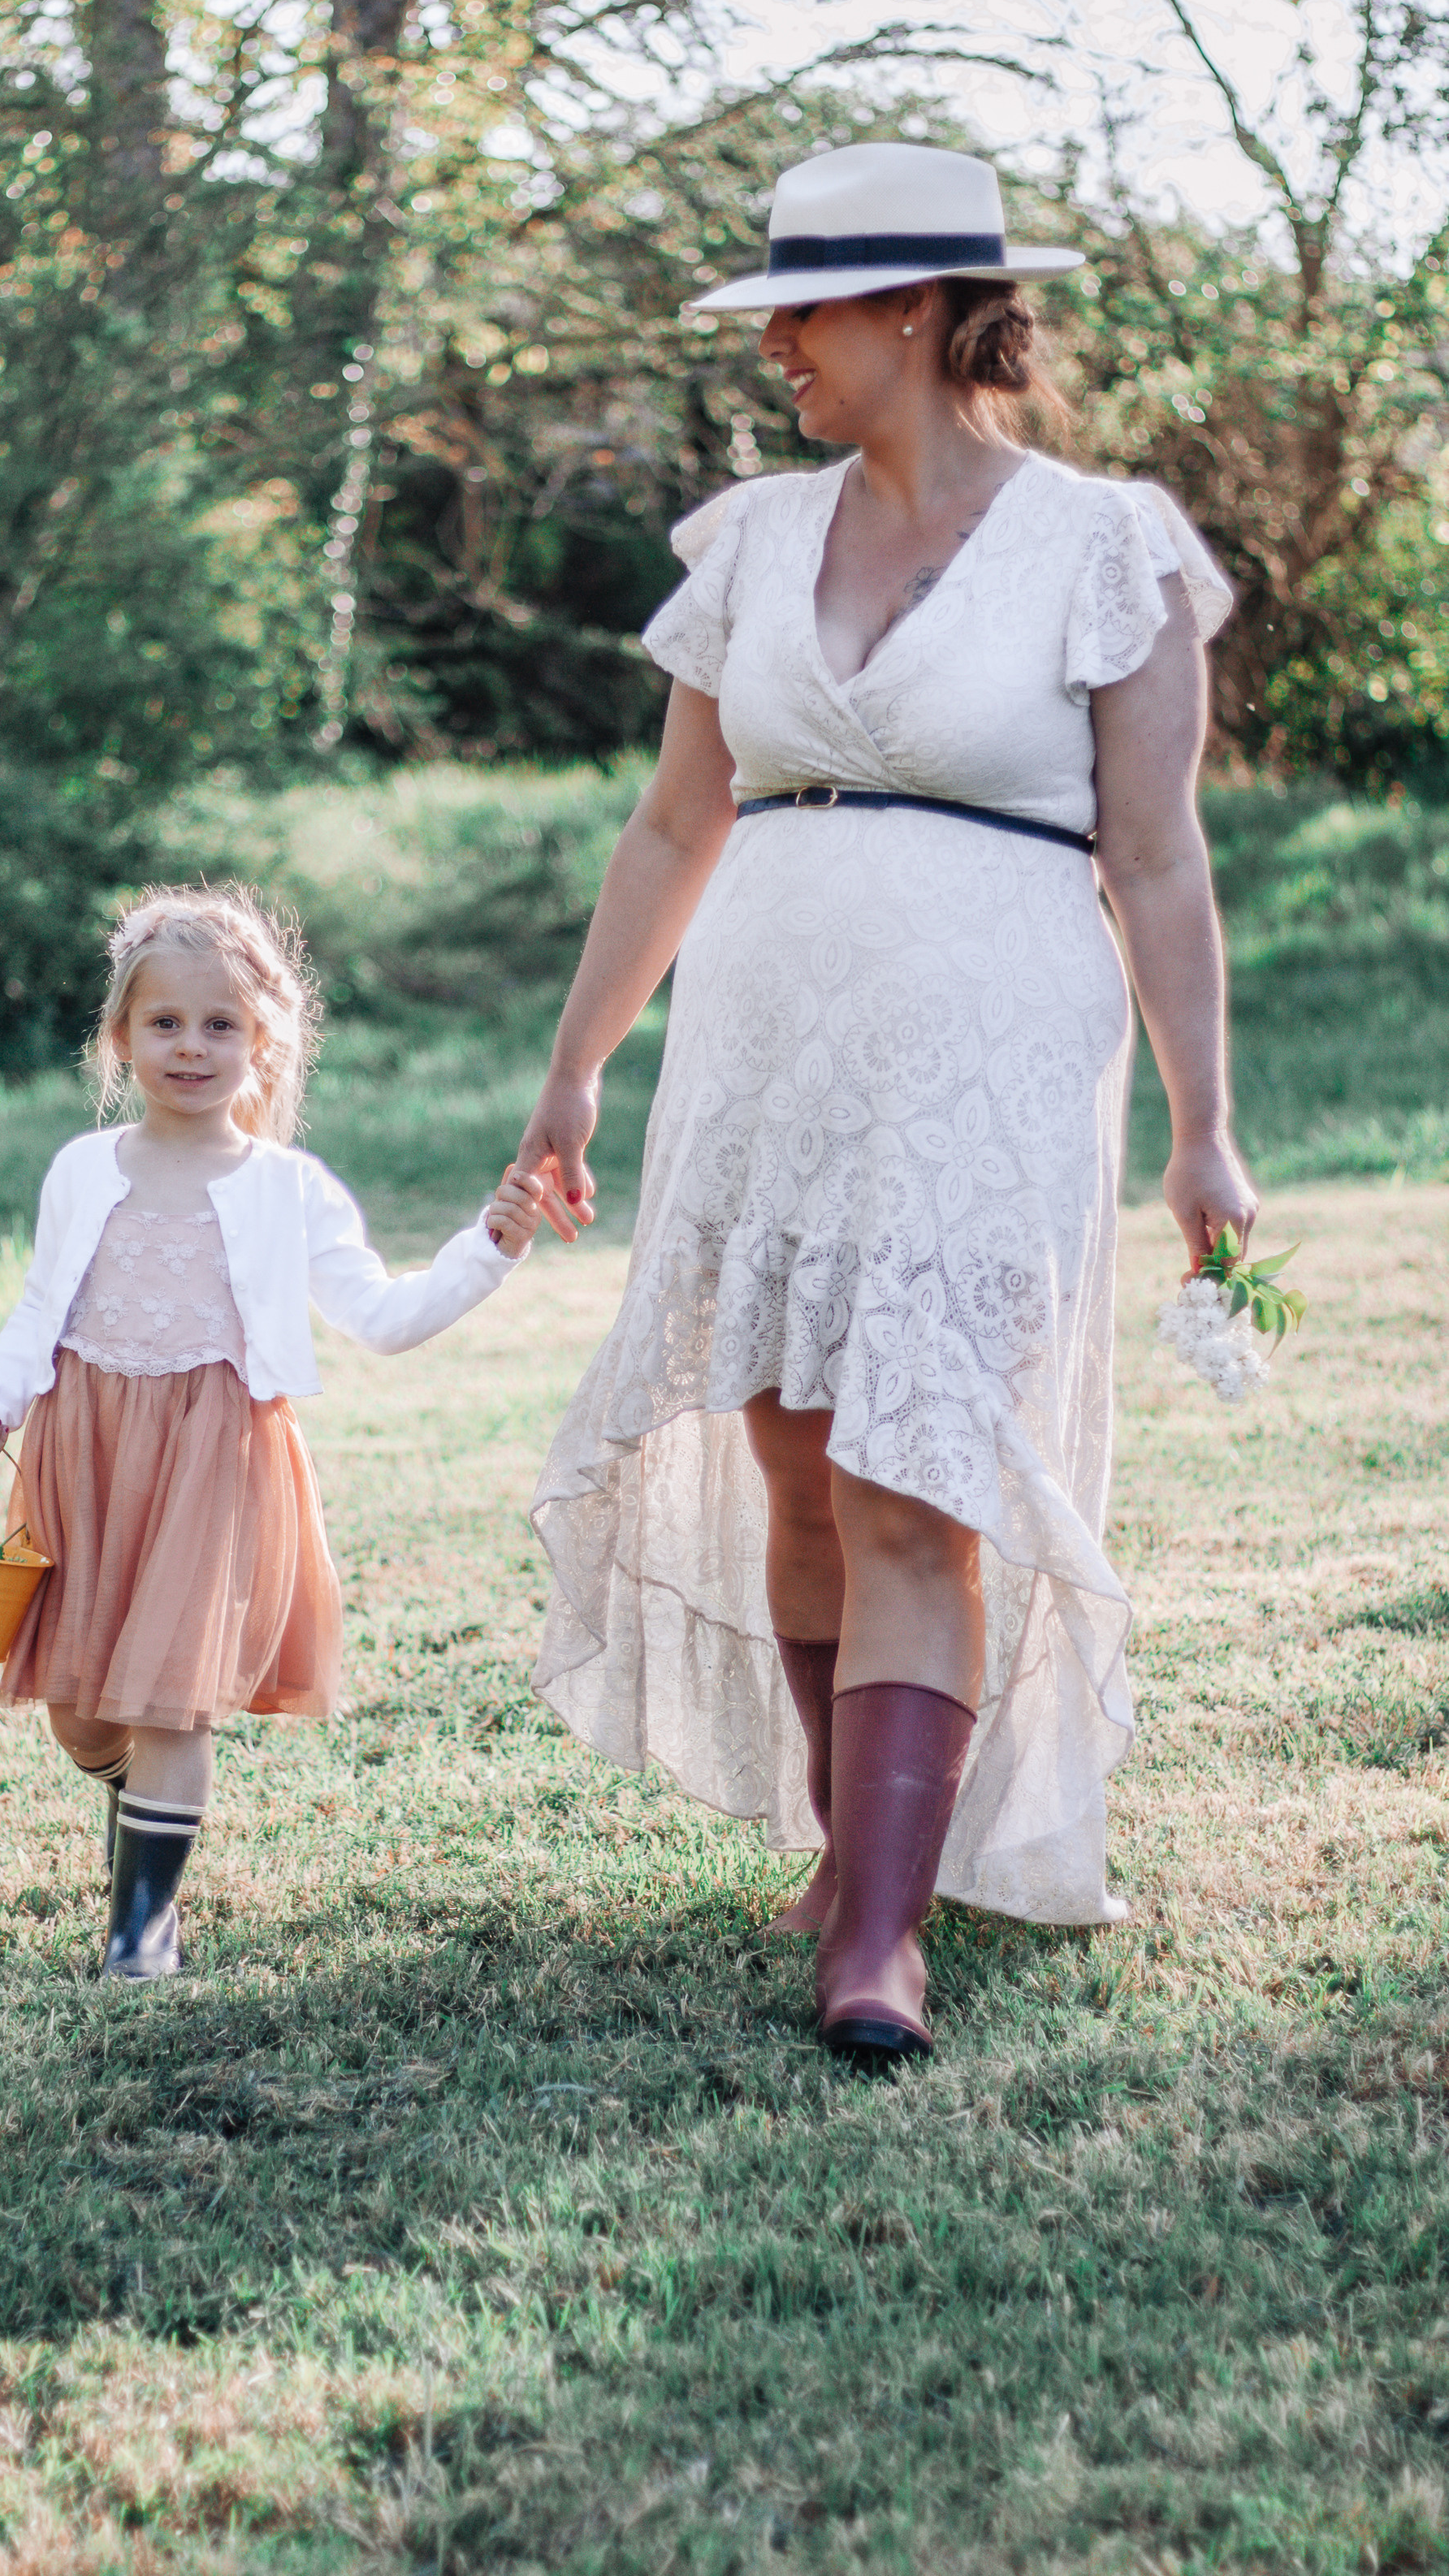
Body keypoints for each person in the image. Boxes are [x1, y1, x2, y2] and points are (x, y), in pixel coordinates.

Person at [514, 142, 1252, 2067]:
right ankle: (857, 1848)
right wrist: (576, 1067)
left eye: (806, 314)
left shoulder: (1104, 548)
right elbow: (672, 823)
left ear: (915, 311)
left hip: (986, 1050)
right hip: (767, 1046)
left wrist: (1204, 1121)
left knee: (913, 1470)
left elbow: (1159, 857)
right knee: (797, 1459)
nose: (776, 350)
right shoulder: (752, 542)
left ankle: (881, 1939)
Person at [0, 883, 544, 1981]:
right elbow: (37, 1313)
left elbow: (381, 1317)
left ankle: (140, 1934)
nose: (191, 1045)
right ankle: (132, 1799)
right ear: (121, 1038)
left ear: (262, 1044)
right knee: (81, 1712)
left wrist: (485, 1252)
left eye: (220, 1024)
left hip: (212, 1459)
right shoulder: (82, 1170)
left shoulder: (286, 1188)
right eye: (165, 1022)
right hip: (87, 1452)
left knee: (173, 1695)